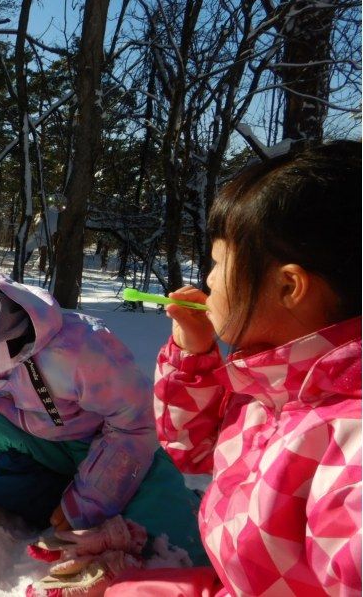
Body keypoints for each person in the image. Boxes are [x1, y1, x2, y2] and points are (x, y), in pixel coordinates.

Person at [0, 271, 209, 569]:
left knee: (171, 548)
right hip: (51, 449)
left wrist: (89, 502)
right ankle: (58, 516)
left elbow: (135, 424)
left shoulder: (74, 351)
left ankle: (137, 511)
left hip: (115, 449)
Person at [143, 140, 361, 596]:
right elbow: (192, 448)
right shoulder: (275, 382)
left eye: (221, 263)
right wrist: (194, 355)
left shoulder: (350, 441)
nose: (207, 280)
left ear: (289, 285)